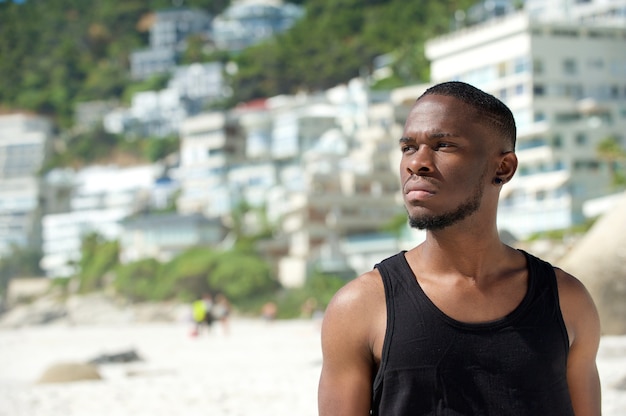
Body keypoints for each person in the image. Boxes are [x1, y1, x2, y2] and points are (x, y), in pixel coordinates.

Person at [318, 81, 601, 415]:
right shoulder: (360, 307)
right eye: (408, 148)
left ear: (503, 167)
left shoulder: (566, 301)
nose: (417, 163)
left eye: (444, 145)